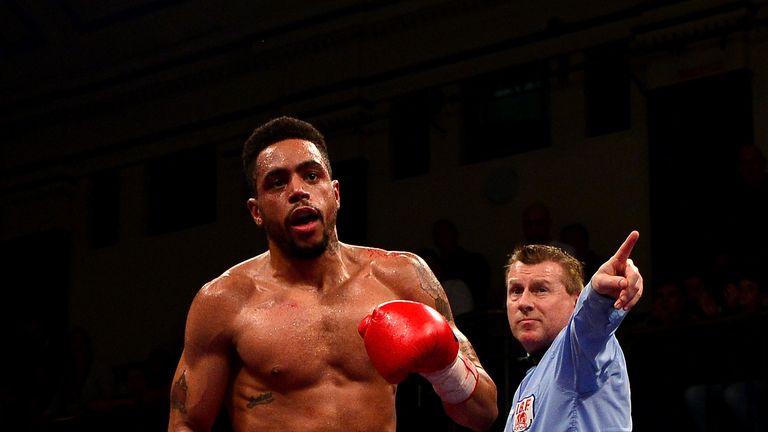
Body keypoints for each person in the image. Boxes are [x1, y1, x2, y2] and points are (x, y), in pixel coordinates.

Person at [167, 116, 498, 432]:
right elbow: (186, 423)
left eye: (311, 175)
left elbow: (484, 413)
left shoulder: (402, 277)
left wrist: (445, 366)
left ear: (335, 193)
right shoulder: (224, 301)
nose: (298, 190)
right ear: (256, 211)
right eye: (278, 182)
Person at [504, 231, 643, 431]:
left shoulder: (579, 352)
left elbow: (590, 320)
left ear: (576, 301)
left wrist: (599, 295)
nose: (524, 303)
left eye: (541, 289)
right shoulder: (528, 382)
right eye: (516, 291)